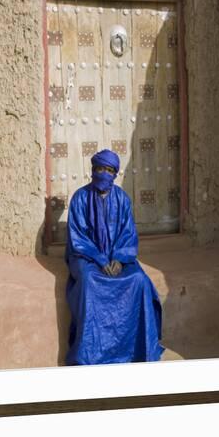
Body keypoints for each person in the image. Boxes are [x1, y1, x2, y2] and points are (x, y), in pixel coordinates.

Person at [64, 148, 165, 365]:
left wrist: (118, 258)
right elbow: (77, 238)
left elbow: (128, 233)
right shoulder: (80, 198)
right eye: (99, 169)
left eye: (108, 170)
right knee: (89, 282)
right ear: (93, 170)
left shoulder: (122, 199)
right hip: (87, 256)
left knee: (138, 280)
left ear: (114, 173)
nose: (103, 173)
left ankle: (138, 349)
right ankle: (88, 352)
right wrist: (100, 259)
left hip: (119, 256)